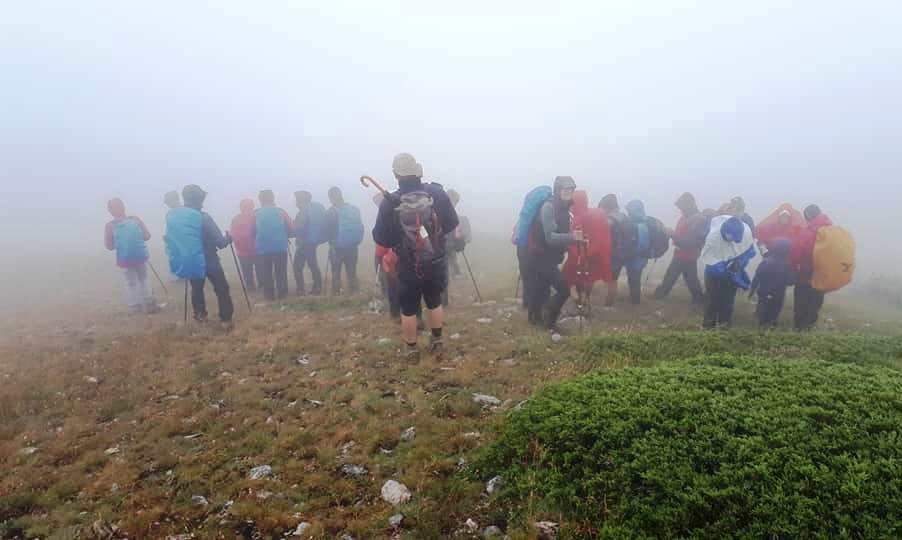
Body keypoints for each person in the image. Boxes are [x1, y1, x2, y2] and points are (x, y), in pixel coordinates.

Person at [373, 153, 458, 359]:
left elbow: (381, 238)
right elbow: (451, 223)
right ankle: (437, 341)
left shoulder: (390, 202)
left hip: (408, 264)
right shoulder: (436, 193)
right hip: (435, 259)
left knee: (409, 308)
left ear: (396, 174)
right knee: (434, 300)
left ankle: (411, 350)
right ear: (418, 172)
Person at [167, 184, 234, 327]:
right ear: (199, 199)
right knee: (221, 288)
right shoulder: (203, 217)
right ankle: (225, 320)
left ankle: (200, 317)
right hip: (209, 259)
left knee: (197, 289)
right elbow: (220, 242)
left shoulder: (177, 218)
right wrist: (228, 238)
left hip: (191, 259)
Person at [527, 176, 584, 330]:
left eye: (571, 189)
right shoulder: (549, 207)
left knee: (541, 286)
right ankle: (549, 320)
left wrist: (573, 238)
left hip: (548, 256)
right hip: (541, 255)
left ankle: (533, 317)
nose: (569, 192)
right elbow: (550, 237)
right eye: (565, 189)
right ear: (557, 190)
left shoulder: (564, 207)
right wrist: (573, 238)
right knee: (564, 288)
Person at [700, 214, 756, 329]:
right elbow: (710, 261)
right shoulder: (713, 238)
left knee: (728, 300)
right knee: (713, 300)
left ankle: (724, 326)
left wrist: (740, 262)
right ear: (725, 233)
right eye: (732, 238)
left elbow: (749, 251)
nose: (734, 241)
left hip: (732, 271)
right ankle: (708, 327)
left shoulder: (745, 232)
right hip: (714, 273)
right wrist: (727, 271)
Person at [104, 198, 159, 313]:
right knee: (144, 279)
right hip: (140, 256)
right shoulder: (135, 220)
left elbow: (109, 246)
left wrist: (120, 243)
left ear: (110, 211)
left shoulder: (110, 226)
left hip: (124, 259)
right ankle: (150, 304)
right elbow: (147, 236)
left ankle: (135, 306)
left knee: (130, 283)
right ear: (124, 207)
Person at [562, 190, 611, 312]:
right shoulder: (597, 215)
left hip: (577, 256)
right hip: (594, 255)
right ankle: (584, 301)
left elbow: (572, 239)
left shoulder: (576, 218)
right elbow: (603, 235)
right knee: (587, 280)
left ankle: (577, 302)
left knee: (569, 280)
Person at [654, 192, 707, 304]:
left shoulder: (698, 219)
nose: (680, 209)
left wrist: (672, 234)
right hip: (681, 253)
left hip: (687, 254)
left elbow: (690, 242)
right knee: (688, 278)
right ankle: (699, 299)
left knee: (674, 276)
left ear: (687, 205)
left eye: (681, 207)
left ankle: (660, 295)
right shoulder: (686, 216)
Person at [791, 204, 833, 331]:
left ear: (808, 215)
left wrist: (794, 267)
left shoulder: (808, 232)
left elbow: (796, 252)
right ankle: (809, 326)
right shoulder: (832, 230)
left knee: (802, 301)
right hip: (823, 273)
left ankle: (799, 329)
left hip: (805, 273)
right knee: (815, 301)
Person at [255, 189, 293, 301]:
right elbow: (290, 227)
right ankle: (282, 294)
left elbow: (251, 230)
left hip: (263, 248)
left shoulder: (256, 213)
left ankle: (269, 296)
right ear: (273, 198)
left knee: (266, 273)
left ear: (260, 200)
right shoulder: (281, 212)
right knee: (281, 272)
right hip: (280, 246)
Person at [325, 187, 364, 295]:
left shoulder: (331, 212)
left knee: (336, 271)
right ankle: (354, 291)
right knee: (351, 271)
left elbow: (327, 229)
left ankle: (336, 292)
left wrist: (329, 240)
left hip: (337, 246)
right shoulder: (354, 209)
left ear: (331, 197)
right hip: (353, 245)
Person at [750, 237, 795, 328]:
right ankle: (771, 331)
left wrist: (752, 291)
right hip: (778, 295)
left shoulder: (766, 262)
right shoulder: (786, 265)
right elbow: (790, 281)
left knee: (763, 316)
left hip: (763, 293)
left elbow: (757, 277)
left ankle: (761, 331)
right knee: (773, 315)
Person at [599, 194, 630, 307]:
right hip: (622, 253)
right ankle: (609, 305)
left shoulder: (610, 220)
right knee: (613, 280)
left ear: (607, 207)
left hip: (611, 254)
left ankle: (608, 306)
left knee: (611, 281)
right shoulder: (624, 217)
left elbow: (601, 234)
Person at [293, 191, 326, 295]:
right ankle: (317, 287)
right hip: (313, 241)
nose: (296, 202)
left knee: (298, 266)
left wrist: (297, 236)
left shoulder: (304, 211)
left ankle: (302, 289)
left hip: (305, 242)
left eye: (297, 199)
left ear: (301, 200)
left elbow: (301, 227)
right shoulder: (313, 209)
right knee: (312, 264)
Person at [623, 200, 652, 305]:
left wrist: (631, 254)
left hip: (636, 259)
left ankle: (635, 302)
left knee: (634, 279)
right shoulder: (639, 223)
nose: (628, 212)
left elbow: (642, 245)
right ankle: (634, 298)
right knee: (632, 279)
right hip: (635, 258)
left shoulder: (641, 225)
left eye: (630, 210)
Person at [229, 199, 258, 292]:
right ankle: (262, 285)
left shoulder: (236, 219)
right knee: (260, 270)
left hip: (242, 251)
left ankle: (250, 287)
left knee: (247, 272)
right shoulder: (256, 217)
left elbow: (232, 234)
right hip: (257, 249)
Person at [445, 189, 471, 278]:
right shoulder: (446, 210)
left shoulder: (446, 209)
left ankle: (455, 272)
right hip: (447, 241)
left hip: (448, 241)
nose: (456, 204)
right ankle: (454, 273)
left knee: (452, 257)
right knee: (449, 257)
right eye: (455, 201)